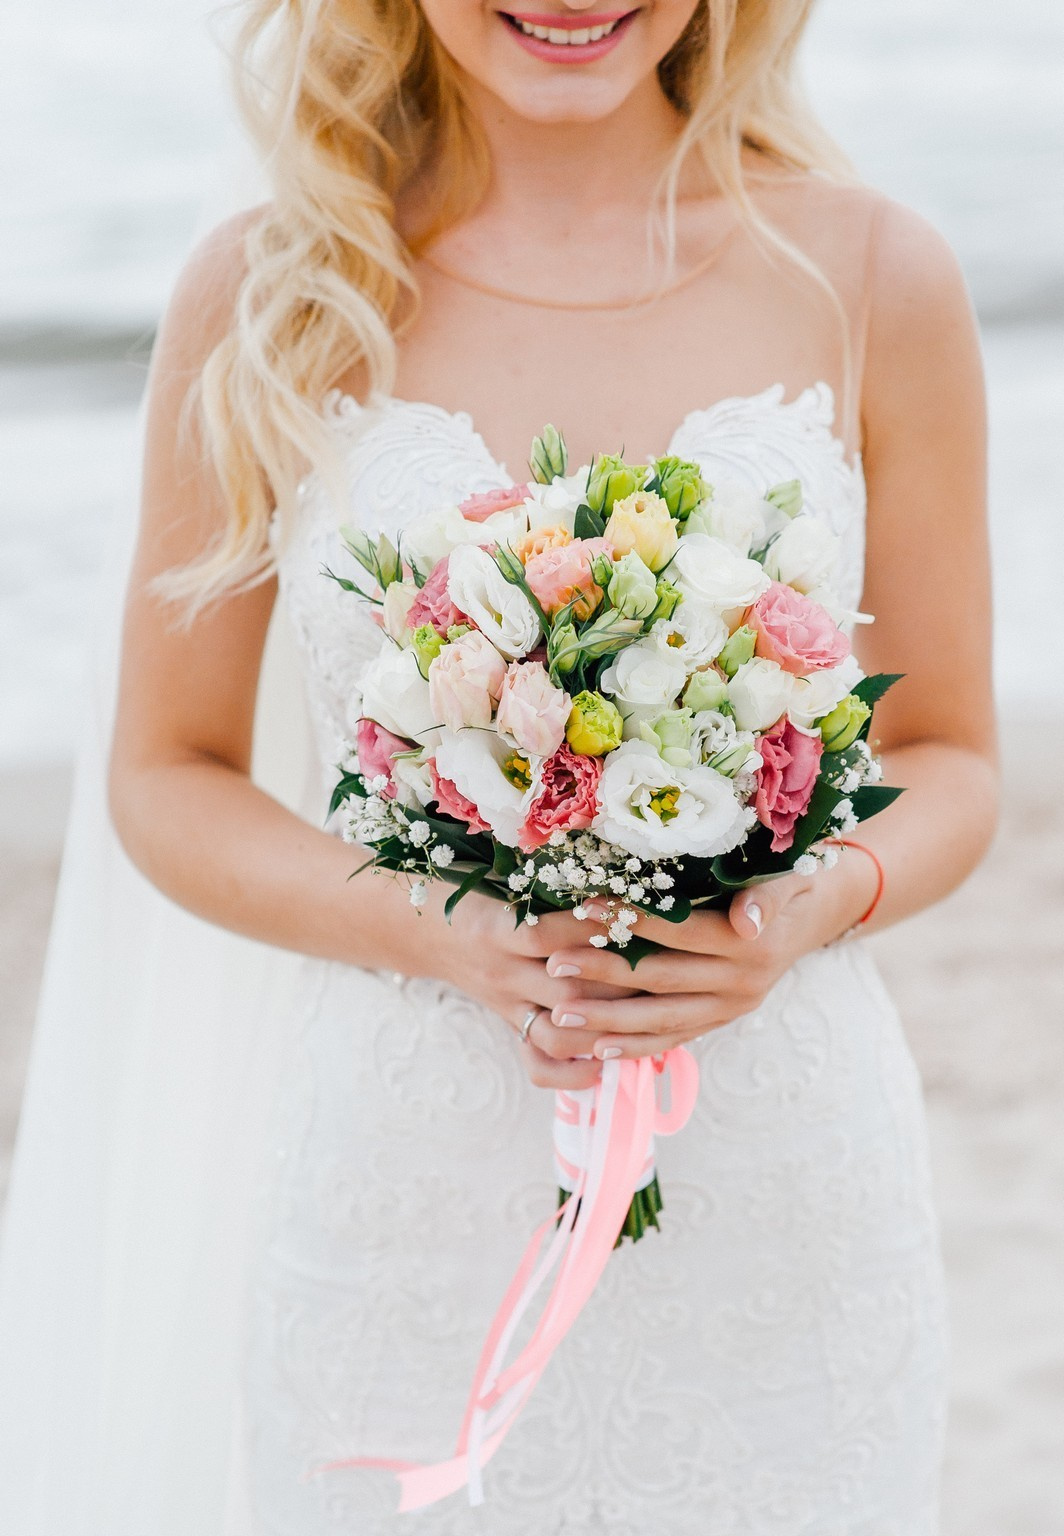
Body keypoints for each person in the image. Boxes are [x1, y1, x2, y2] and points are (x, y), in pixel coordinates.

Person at [0, 1, 998, 1531]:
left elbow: (954, 758)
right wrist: (437, 931)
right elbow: (165, 772)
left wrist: (808, 905)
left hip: (781, 1197)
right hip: (403, 1197)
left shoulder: (869, 273)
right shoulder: (276, 294)